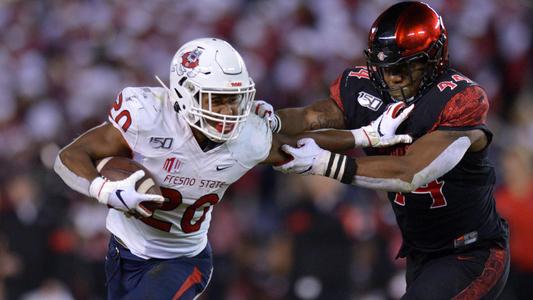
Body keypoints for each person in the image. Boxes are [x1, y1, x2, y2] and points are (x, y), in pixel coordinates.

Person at [53, 37, 411, 299]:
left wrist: (364, 136)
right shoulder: (149, 116)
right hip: (122, 248)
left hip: (183, 258)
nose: (228, 111)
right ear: (183, 91)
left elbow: (303, 140)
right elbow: (69, 157)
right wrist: (101, 187)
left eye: (234, 99)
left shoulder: (248, 138)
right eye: (217, 99)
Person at [265, 2, 510, 299]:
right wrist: (270, 121)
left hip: (471, 252)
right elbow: (310, 118)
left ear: (434, 59)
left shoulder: (459, 100)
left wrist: (321, 163)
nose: (392, 77)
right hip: (421, 254)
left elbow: (409, 173)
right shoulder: (362, 86)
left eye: (404, 66)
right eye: (386, 67)